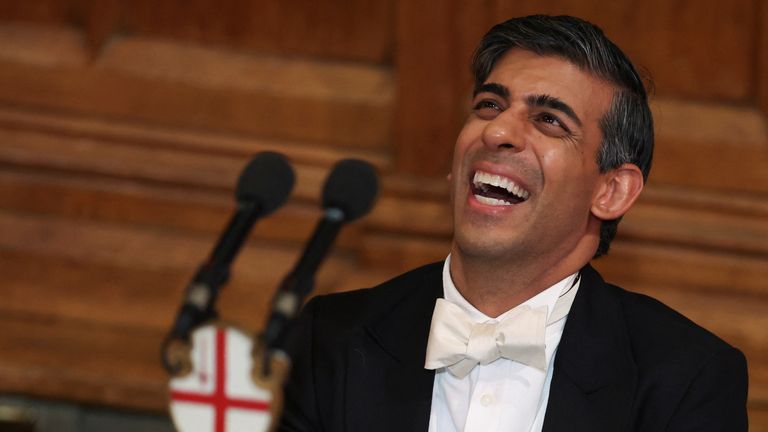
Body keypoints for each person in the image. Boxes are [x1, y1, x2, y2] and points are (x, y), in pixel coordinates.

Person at [278, 15, 748, 432]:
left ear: (612, 191)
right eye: (488, 105)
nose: (498, 131)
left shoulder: (684, 378)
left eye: (549, 120)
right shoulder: (331, 339)